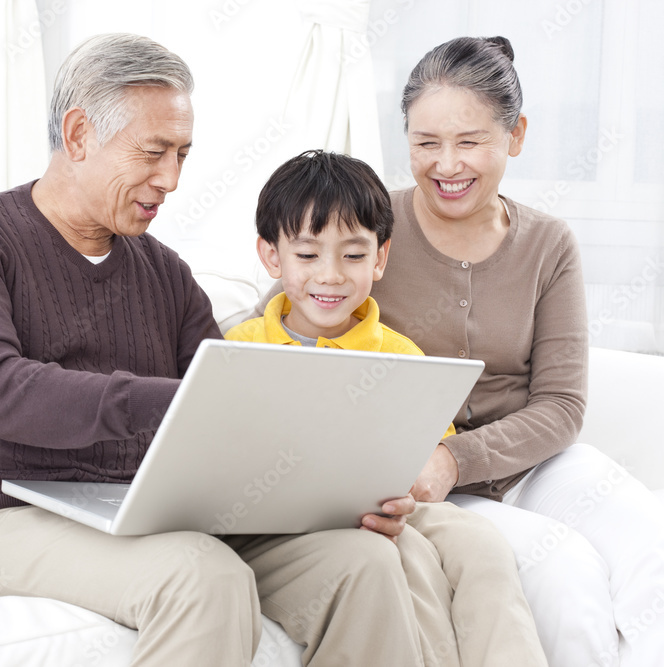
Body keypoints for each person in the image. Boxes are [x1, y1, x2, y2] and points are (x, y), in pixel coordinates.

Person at [0, 32, 464, 667]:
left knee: (362, 562)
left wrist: (346, 492)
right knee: (203, 576)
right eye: (153, 152)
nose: (170, 179)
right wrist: (171, 401)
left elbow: (234, 413)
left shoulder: (163, 271)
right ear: (80, 134)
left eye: (183, 154)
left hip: (151, 511)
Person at [254, 36, 664, 667]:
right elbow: (288, 310)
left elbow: (561, 404)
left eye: (470, 141)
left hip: (535, 463)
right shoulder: (368, 228)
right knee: (565, 575)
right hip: (422, 484)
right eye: (425, 143)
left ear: (516, 135)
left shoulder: (548, 244)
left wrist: (456, 456)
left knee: (650, 541)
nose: (447, 165)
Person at [226, 148, 547, 667]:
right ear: (271, 257)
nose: (330, 276)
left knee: (482, 547)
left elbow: (425, 458)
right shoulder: (239, 349)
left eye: (353, 255)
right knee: (410, 563)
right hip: (289, 517)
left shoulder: (399, 355)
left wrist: (403, 492)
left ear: (380, 258)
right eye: (307, 255)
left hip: (397, 506)